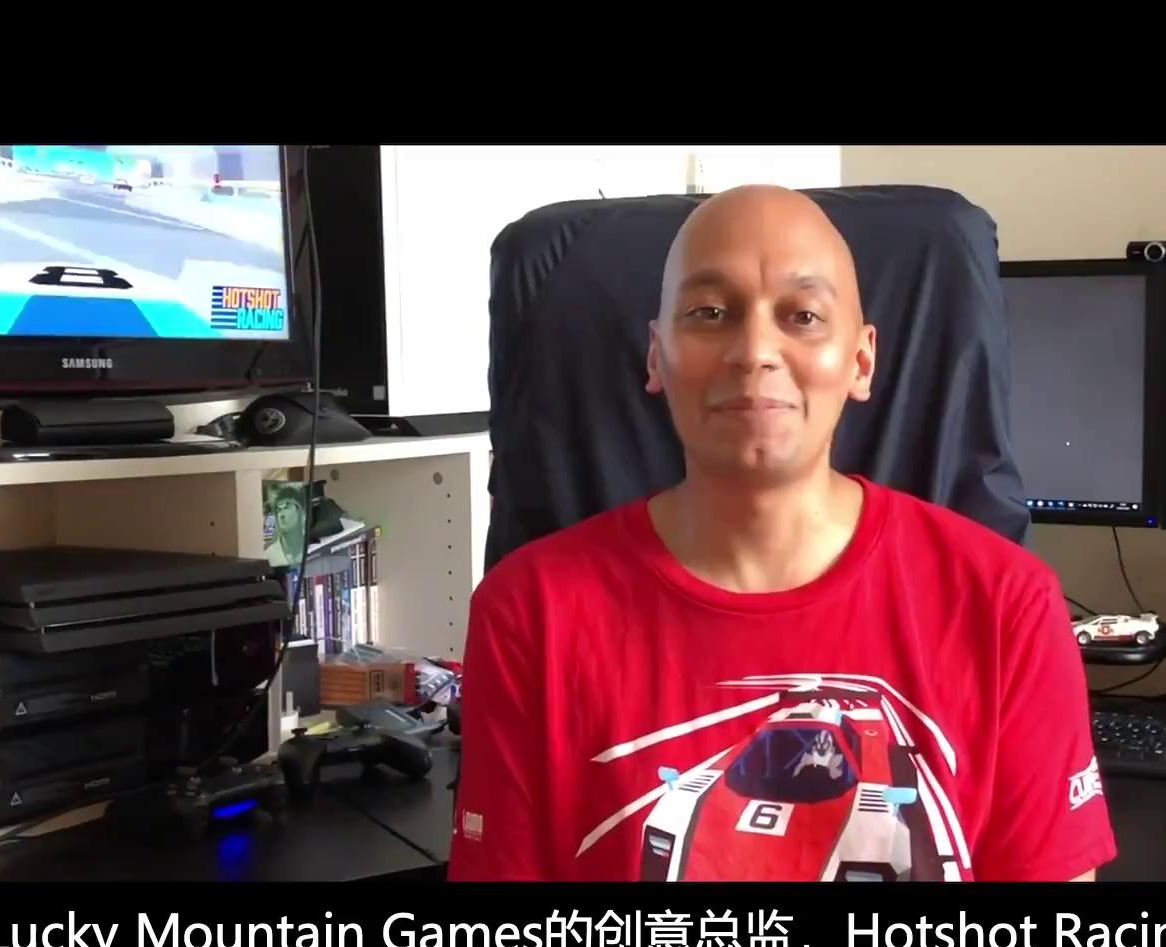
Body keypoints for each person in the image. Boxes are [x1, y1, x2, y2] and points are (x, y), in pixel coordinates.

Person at [448, 185, 1114, 882]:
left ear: (860, 361)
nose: (754, 351)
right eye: (710, 313)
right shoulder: (529, 612)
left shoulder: (1008, 604)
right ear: (656, 356)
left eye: (802, 316)